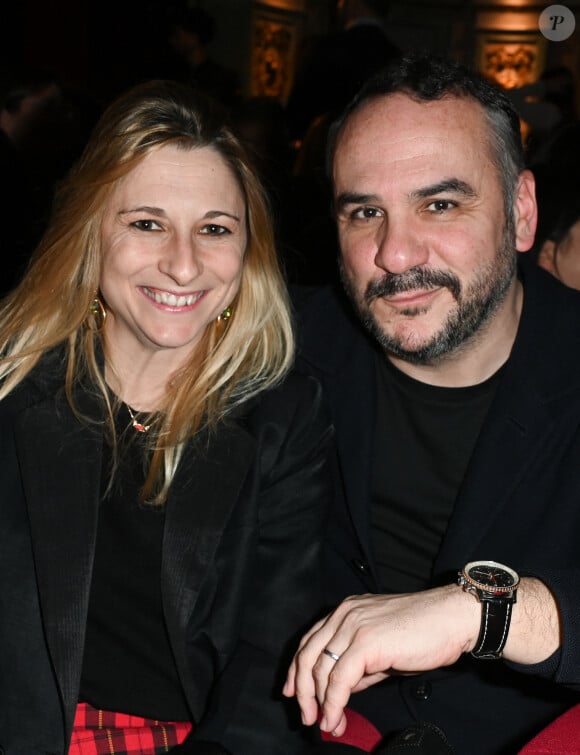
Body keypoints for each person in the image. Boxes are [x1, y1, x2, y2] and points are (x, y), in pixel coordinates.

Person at [0, 79, 332, 754]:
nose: (183, 264)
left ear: (249, 253)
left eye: (214, 229)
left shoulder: (283, 416)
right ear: (90, 233)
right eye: (147, 222)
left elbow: (271, 659)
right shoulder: (14, 384)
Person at [283, 55, 580, 754]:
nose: (394, 252)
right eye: (365, 212)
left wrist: (483, 615)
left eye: (439, 204)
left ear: (521, 212)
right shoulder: (285, 351)